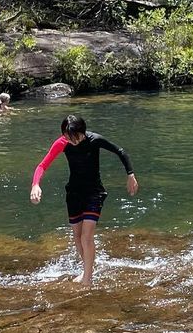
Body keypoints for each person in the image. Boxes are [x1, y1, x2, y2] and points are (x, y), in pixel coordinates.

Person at [30, 114, 138, 287]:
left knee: (87, 237)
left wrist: (130, 175)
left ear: (83, 132)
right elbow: (42, 165)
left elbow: (120, 151)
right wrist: (36, 185)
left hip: (94, 192)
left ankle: (87, 278)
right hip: (74, 193)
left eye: (75, 137)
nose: (72, 141)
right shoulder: (62, 143)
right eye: (68, 138)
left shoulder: (94, 140)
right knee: (78, 236)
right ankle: (87, 268)